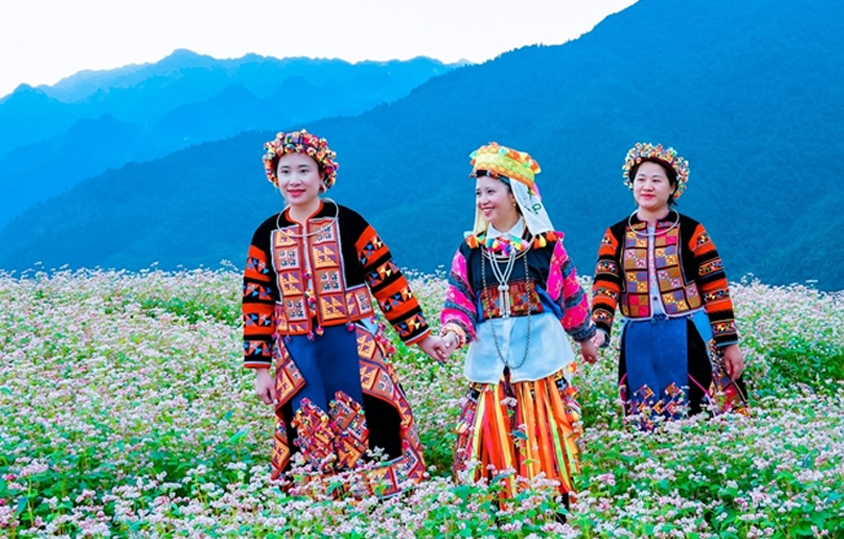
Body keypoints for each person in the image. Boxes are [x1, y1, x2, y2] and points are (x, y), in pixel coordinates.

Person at [242, 129, 449, 497]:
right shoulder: (266, 234)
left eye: (304, 170)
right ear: (274, 177)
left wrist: (421, 336)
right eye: (285, 171)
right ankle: (317, 506)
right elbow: (256, 302)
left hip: (355, 346)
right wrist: (260, 369)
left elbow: (388, 280)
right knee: (307, 427)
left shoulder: (349, 222)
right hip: (298, 353)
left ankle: (386, 503)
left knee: (376, 418)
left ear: (323, 176)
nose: (295, 180)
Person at [438, 142, 599, 501]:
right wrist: (452, 334)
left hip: (540, 361)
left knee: (545, 431)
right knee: (490, 437)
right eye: (479, 193)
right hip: (491, 366)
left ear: (515, 195)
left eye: (491, 191)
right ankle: (496, 504)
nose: (483, 200)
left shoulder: (546, 247)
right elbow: (459, 300)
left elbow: (569, 294)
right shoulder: (471, 250)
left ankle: (553, 503)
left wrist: (586, 337)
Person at [590, 143, 749, 431]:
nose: (647, 186)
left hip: (688, 331)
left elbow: (715, 286)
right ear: (631, 184)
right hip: (638, 335)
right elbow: (606, 283)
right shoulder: (615, 234)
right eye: (640, 179)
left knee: (699, 407)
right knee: (643, 412)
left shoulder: (691, 231)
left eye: (656, 180)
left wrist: (729, 343)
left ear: (673, 187)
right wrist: (600, 326)